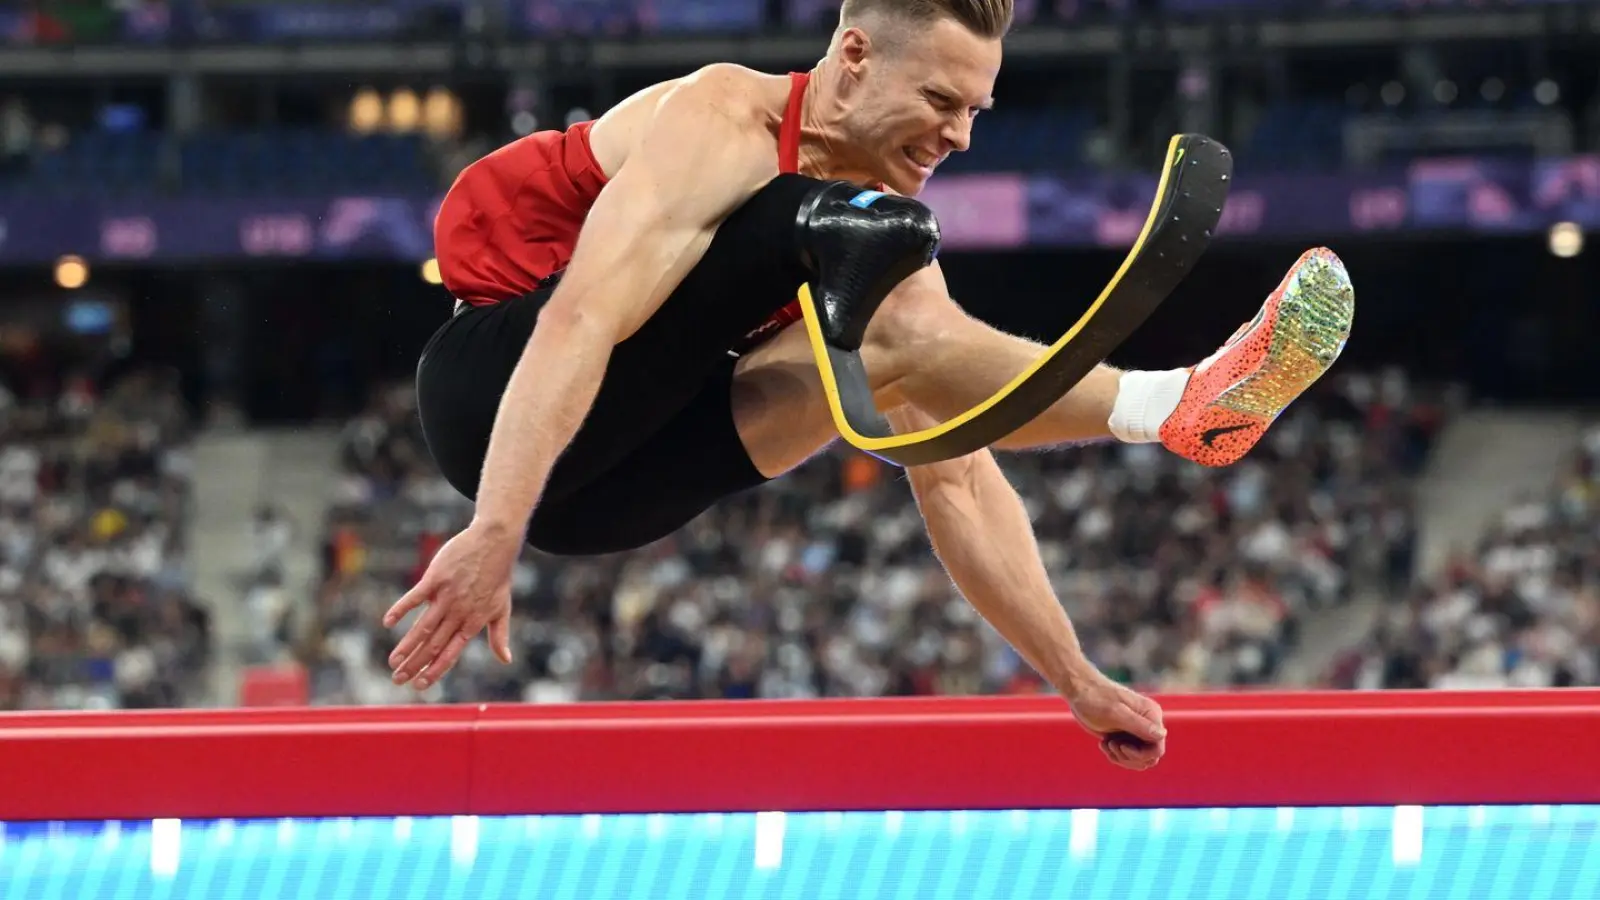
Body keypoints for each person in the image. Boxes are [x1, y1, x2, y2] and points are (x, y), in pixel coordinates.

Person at [384, 0, 1354, 771]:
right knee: (830, 231)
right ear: (853, 55)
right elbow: (578, 321)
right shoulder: (724, 120)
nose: (960, 136)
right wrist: (496, 531)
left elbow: (958, 475)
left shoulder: (871, 226)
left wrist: (1075, 678)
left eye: (974, 110)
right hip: (490, 391)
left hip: (609, 496)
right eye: (939, 100)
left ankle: (1178, 410)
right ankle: (1172, 404)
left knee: (899, 339)